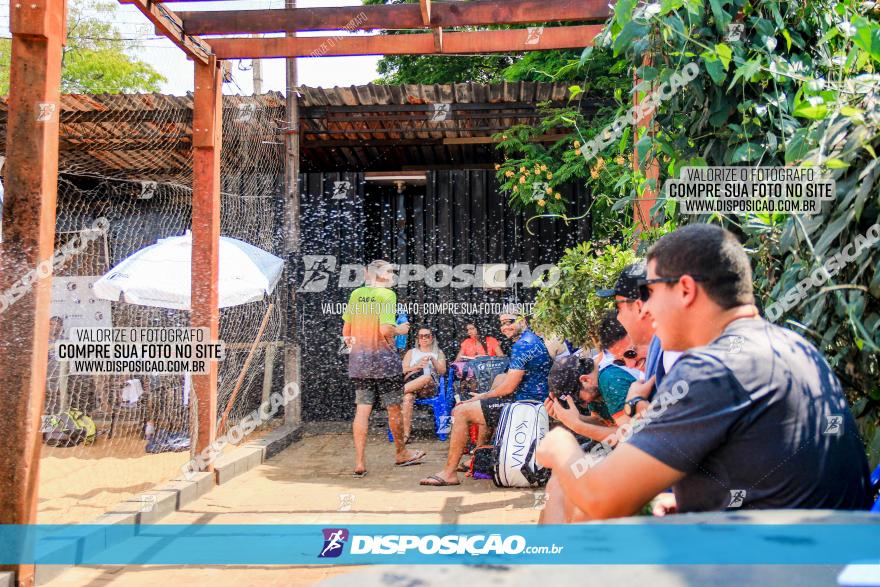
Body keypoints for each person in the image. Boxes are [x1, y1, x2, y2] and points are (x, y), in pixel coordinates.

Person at [536, 224, 872, 522]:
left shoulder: (713, 368)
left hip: (771, 568)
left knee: (569, 489)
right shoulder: (793, 345)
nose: (647, 308)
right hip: (825, 558)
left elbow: (602, 499)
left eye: (651, 292)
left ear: (685, 289)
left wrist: (562, 440)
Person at [419, 305, 551, 486]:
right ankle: (477, 458)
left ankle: (449, 473)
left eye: (510, 322)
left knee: (461, 411)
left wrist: (481, 396)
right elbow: (508, 379)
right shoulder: (531, 339)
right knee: (488, 398)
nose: (505, 327)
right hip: (530, 400)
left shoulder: (523, 345)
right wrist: (487, 395)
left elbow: (508, 388)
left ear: (522, 320)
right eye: (502, 323)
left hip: (524, 406)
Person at [342, 259, 425, 477]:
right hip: (384, 362)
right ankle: (401, 453)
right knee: (394, 407)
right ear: (378, 274)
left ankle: (359, 462)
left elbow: (346, 330)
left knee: (362, 409)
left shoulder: (356, 295)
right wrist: (402, 330)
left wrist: (355, 353)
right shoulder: (387, 295)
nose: (392, 275)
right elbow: (386, 329)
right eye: (389, 271)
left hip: (359, 361)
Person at [597, 261, 682, 415]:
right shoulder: (664, 348)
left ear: (639, 307)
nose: (619, 318)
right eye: (620, 361)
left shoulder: (676, 352)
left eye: (618, 307)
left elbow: (679, 430)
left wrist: (636, 404)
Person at [401, 326, 447, 444]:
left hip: (430, 388)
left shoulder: (438, 352)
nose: (424, 338)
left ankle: (397, 392)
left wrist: (433, 360)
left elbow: (442, 372)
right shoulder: (411, 352)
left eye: (427, 336)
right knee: (407, 398)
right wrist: (417, 366)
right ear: (417, 339)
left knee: (426, 377)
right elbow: (403, 370)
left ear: (432, 338)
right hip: (412, 386)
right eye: (421, 336)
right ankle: (406, 434)